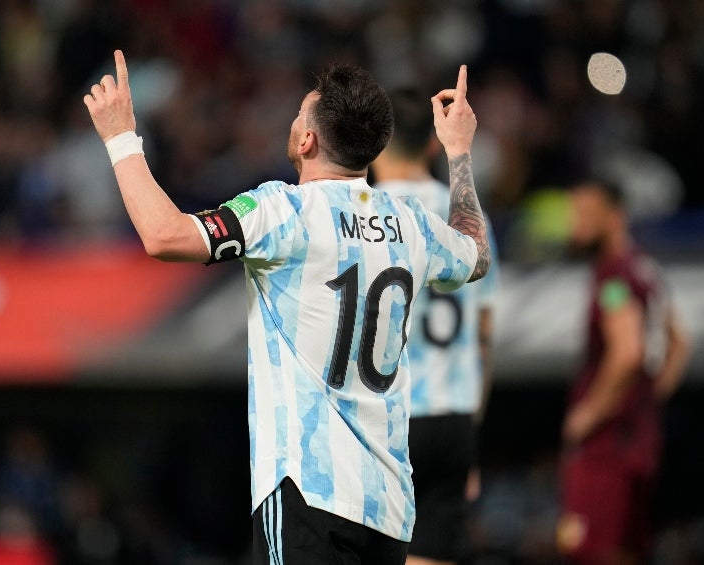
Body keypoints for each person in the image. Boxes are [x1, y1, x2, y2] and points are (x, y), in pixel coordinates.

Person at [84, 51, 491, 564]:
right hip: (388, 506)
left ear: (307, 140)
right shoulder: (409, 222)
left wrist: (120, 137)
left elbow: (165, 236)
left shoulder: (282, 211)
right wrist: (459, 152)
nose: (294, 122)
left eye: (299, 115)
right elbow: (475, 254)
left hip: (309, 492)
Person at [371, 89, 500, 565]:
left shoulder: (362, 214)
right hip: (453, 417)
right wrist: (471, 432)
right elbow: (483, 340)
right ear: (430, 144)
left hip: (388, 418)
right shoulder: (469, 221)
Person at [557, 181, 691, 565]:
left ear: (615, 218)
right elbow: (679, 343)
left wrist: (589, 414)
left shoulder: (614, 277)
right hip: (640, 442)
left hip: (606, 447)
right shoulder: (645, 270)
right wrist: (647, 400)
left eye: (585, 215)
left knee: (590, 552)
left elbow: (629, 351)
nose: (575, 224)